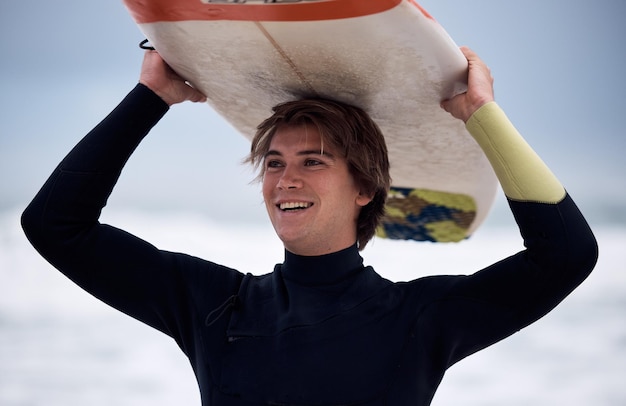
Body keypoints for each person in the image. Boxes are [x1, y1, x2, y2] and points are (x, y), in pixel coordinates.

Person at [21, 47, 598, 406]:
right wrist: (151, 96)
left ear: (365, 189)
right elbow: (54, 226)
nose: (285, 180)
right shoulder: (213, 306)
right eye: (274, 163)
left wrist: (481, 116)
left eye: (312, 161)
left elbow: (566, 255)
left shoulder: (419, 320)